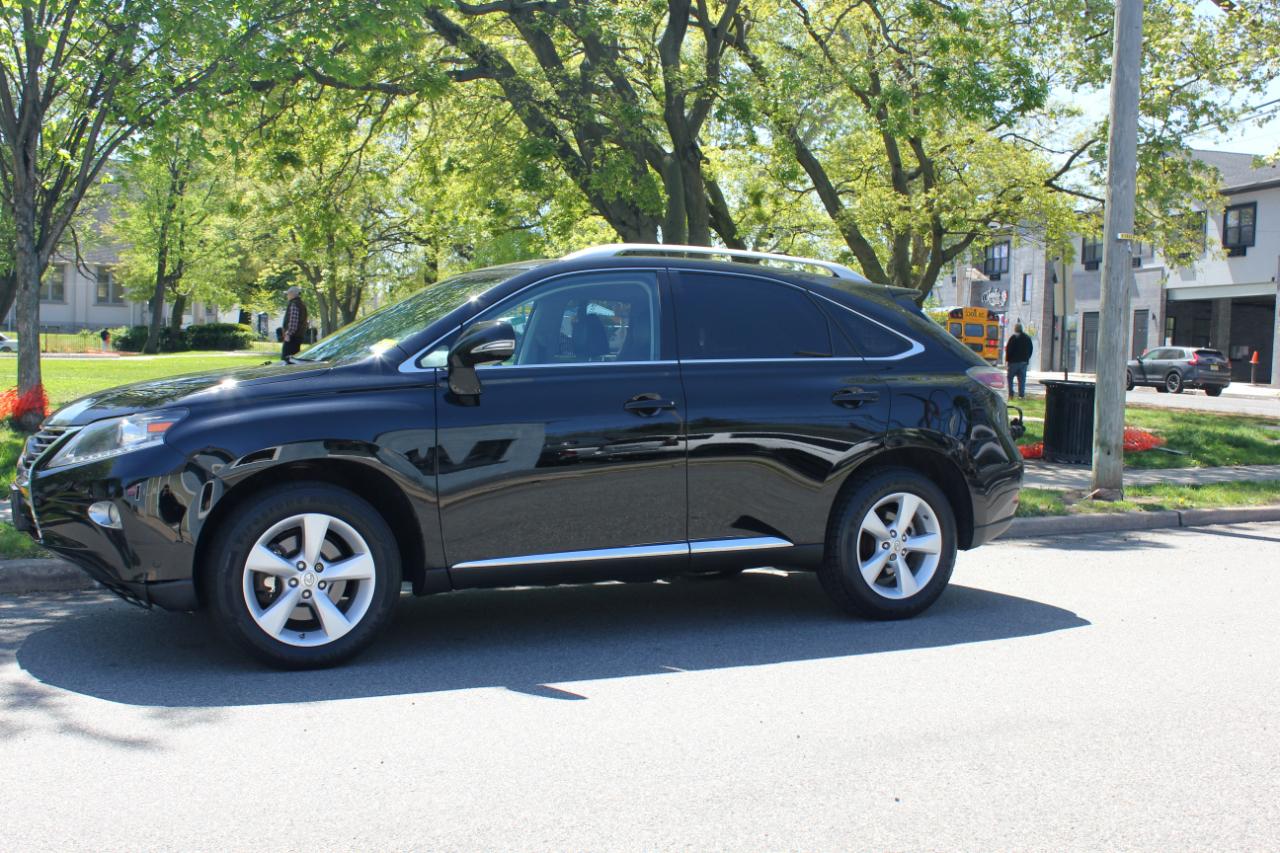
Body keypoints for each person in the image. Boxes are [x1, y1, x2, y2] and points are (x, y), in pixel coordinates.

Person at [1004, 322, 1033, 399]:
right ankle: (1021, 395)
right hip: (1023, 362)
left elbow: (1008, 350)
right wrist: (1027, 358)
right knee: (1022, 379)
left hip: (1013, 362)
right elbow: (1030, 349)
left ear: (1015, 329)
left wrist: (1007, 360)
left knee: (1010, 378)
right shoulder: (1027, 338)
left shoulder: (1013, 338)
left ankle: (1011, 394)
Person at [281, 286, 308, 360]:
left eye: (288, 294)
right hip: (298, 337)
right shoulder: (301, 304)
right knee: (294, 360)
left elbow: (293, 321)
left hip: (292, 338)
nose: (287, 295)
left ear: (292, 294)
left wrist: (288, 334)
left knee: (287, 360)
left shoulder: (294, 304)